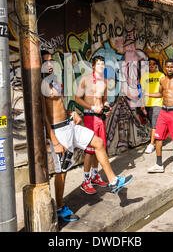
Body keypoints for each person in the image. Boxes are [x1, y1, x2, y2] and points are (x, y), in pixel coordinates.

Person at [41, 51, 133, 222]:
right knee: (62, 172)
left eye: (51, 61)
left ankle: (113, 181)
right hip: (59, 132)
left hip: (70, 124)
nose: (50, 65)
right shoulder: (42, 85)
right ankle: (60, 207)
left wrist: (71, 113)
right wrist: (54, 141)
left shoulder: (54, 81)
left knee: (98, 143)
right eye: (46, 62)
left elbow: (58, 107)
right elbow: (44, 116)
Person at [75, 55, 111, 195]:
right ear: (93, 65)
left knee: (99, 146)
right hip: (90, 117)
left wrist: (108, 107)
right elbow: (77, 99)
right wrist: (91, 107)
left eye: (103, 63)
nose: (101, 66)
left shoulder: (105, 82)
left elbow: (105, 100)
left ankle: (95, 176)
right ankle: (85, 181)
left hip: (101, 118)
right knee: (90, 150)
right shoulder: (85, 79)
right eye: (98, 64)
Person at [140, 57, 165, 154]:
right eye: (149, 64)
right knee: (152, 123)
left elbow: (161, 91)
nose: (151, 66)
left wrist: (148, 94)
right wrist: (142, 103)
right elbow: (142, 91)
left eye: (153, 64)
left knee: (154, 124)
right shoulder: (144, 76)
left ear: (156, 65)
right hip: (147, 104)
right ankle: (158, 137)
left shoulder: (161, 75)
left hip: (157, 103)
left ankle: (151, 144)